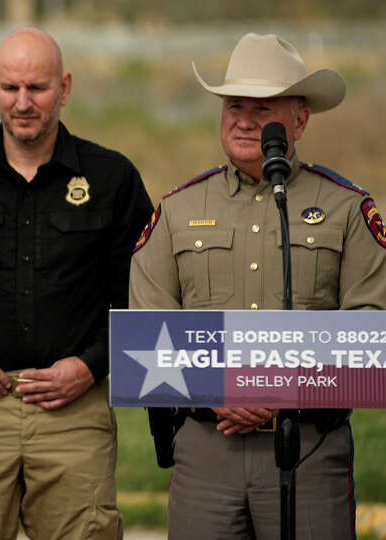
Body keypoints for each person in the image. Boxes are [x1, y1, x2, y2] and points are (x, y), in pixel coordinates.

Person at [130, 33, 386, 539]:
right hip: (207, 451)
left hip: (310, 449)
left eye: (263, 107)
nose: (245, 120)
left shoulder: (347, 209)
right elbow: (144, 334)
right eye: (234, 106)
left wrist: (279, 388)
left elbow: (371, 333)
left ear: (300, 119)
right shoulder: (178, 210)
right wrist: (214, 387)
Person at [0, 28, 154, 539]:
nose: (23, 103)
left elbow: (141, 298)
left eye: (38, 88)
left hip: (76, 410)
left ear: (64, 87)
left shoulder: (112, 179)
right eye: (10, 87)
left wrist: (90, 367)